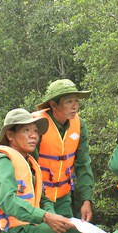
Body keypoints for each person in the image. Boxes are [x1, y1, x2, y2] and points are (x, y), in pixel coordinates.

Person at [0, 109, 96, 233]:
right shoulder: (1, 161)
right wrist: (45, 218)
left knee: (73, 230)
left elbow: (43, 199)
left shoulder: (28, 163)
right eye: (26, 130)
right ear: (10, 135)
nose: (34, 135)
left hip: (28, 231)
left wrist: (53, 217)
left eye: (35, 131)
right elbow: (8, 202)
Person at [32, 79, 94, 222]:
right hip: (38, 197)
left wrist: (86, 200)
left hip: (63, 197)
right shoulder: (37, 124)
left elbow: (83, 163)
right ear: (53, 104)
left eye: (76, 101)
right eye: (68, 102)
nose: (75, 106)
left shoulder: (79, 125)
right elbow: (29, 165)